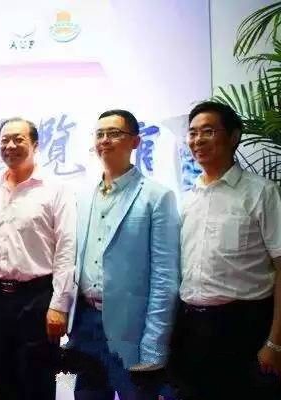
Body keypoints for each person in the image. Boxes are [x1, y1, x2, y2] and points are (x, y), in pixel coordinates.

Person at [168, 101, 281, 399]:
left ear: (233, 137)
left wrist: (275, 343)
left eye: (208, 131)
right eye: (193, 133)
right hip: (191, 328)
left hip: (245, 327)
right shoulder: (189, 198)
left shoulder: (262, 192)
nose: (198, 140)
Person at [67, 110, 180, 400]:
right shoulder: (83, 196)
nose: (105, 140)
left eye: (114, 133)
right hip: (86, 325)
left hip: (134, 331)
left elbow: (165, 278)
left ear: (135, 142)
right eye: (100, 134)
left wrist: (154, 346)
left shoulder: (157, 197)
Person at [0, 117, 76, 400]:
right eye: (4, 140)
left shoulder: (55, 189)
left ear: (35, 144)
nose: (10, 145)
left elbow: (66, 248)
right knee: (3, 380)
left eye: (18, 139)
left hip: (37, 298)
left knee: (37, 383)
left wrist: (59, 305)